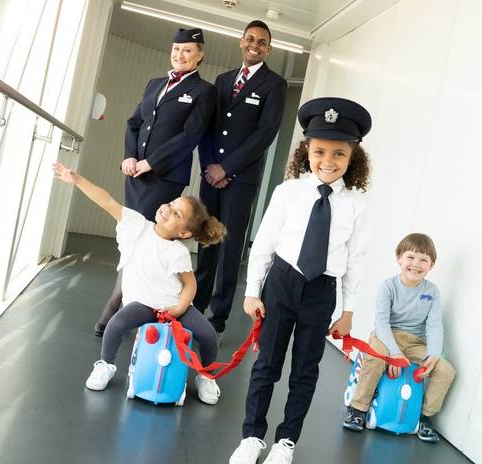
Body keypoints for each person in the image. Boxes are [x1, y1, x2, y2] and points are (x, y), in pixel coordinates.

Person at [229, 98, 372, 464]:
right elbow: (263, 242)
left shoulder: (356, 204)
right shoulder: (288, 192)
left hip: (321, 292)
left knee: (306, 370)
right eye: (320, 151)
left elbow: (355, 260)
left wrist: (349, 309)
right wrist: (251, 291)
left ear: (352, 157)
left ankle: (286, 441)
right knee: (267, 366)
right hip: (281, 283)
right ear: (306, 150)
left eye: (339, 154)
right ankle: (252, 437)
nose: (328, 161)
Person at [51, 161, 227, 404]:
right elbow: (106, 201)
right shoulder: (136, 225)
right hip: (142, 303)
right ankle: (106, 365)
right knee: (116, 324)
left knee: (207, 334)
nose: (167, 208)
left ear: (185, 233)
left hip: (172, 305)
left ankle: (206, 377)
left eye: (177, 213)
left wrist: (179, 308)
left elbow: (190, 285)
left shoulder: (178, 252)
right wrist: (77, 179)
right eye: (171, 204)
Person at [95, 27, 218, 337]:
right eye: (176, 49)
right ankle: (124, 306)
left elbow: (190, 135)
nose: (180, 54)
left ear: (199, 56)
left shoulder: (204, 92)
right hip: (136, 174)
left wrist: (151, 162)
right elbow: (134, 122)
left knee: (146, 243)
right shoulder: (154, 84)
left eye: (187, 50)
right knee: (132, 237)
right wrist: (130, 156)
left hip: (164, 177)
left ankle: (117, 306)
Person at [194, 20, 287, 341]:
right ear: (241, 41)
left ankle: (217, 321)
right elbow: (207, 128)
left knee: (229, 250)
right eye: (250, 39)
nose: (255, 45)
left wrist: (227, 169)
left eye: (262, 42)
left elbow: (265, 134)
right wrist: (209, 166)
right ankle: (195, 309)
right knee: (206, 243)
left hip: (240, 179)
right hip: (211, 176)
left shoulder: (274, 84)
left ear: (268, 48)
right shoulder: (221, 81)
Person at [342, 233, 457, 442]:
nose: (416, 264)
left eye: (424, 260)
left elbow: (434, 325)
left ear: (431, 265)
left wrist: (433, 353)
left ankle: (424, 418)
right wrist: (394, 353)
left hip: (415, 342)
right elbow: (382, 323)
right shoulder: (388, 286)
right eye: (411, 257)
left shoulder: (432, 291)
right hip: (385, 336)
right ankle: (358, 408)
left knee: (446, 370)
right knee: (376, 358)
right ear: (399, 258)